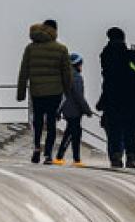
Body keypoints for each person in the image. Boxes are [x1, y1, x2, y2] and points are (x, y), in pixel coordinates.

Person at [16, 19, 72, 164]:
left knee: (38, 121)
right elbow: (67, 73)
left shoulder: (30, 48)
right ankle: (48, 154)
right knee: (51, 122)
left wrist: (21, 92)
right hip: (55, 92)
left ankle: (36, 149)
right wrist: (68, 90)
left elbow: (24, 71)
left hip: (37, 91)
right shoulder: (61, 49)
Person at [96, 27, 135, 168]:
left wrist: (102, 100)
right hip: (128, 97)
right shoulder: (129, 55)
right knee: (129, 128)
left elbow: (107, 78)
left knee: (114, 129)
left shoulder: (105, 55)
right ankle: (131, 157)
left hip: (111, 96)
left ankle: (115, 156)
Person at [54, 53, 93, 167]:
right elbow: (78, 96)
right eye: (81, 64)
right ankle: (60, 157)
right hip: (74, 111)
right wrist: (87, 110)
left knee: (75, 134)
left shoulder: (65, 76)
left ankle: (76, 159)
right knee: (71, 134)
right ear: (77, 65)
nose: (81, 67)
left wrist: (59, 111)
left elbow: (62, 96)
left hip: (67, 109)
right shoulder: (76, 78)